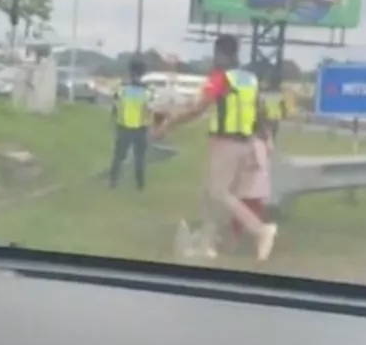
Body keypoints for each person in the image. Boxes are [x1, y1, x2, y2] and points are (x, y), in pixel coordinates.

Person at [152, 34, 278, 261]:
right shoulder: (249, 78)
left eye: (216, 53)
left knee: (219, 193)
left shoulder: (220, 78)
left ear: (221, 53)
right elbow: (260, 110)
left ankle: (260, 230)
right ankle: (207, 245)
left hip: (225, 142)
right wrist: (266, 137)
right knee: (210, 195)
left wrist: (168, 125)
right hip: (246, 142)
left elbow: (197, 109)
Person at [109, 58, 150, 190]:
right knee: (140, 158)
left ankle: (113, 182)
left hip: (123, 127)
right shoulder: (146, 91)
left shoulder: (122, 89)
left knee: (118, 157)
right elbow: (149, 109)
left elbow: (115, 106)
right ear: (143, 73)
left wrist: (114, 119)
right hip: (140, 128)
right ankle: (140, 185)